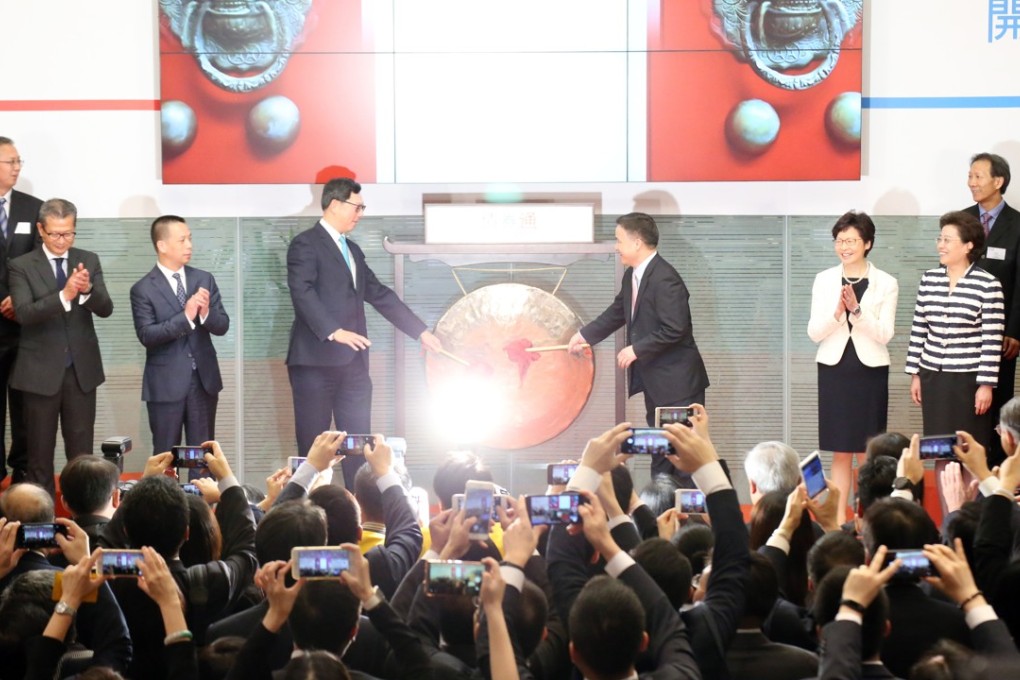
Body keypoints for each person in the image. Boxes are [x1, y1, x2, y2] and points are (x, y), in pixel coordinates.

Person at [286, 177, 442, 488]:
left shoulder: (353, 250)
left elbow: (379, 293)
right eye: (356, 207)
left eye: (362, 207)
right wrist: (333, 331)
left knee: (358, 445)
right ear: (334, 205)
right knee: (313, 447)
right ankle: (308, 514)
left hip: (354, 366)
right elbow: (301, 292)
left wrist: (420, 331)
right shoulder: (306, 244)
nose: (360, 214)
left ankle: (358, 512)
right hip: (314, 364)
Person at [568, 212, 709, 483]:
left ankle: (685, 519)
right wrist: (585, 335)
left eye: (619, 240)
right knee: (661, 452)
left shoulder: (665, 278)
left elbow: (676, 328)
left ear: (637, 242)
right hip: (657, 382)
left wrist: (636, 349)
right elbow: (618, 312)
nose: (616, 246)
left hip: (678, 385)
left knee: (682, 456)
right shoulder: (632, 275)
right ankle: (659, 514)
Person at [8, 198, 113, 497]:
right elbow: (25, 313)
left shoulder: (88, 260)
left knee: (82, 458)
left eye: (68, 233)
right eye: (54, 233)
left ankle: (85, 522)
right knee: (39, 456)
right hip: (39, 374)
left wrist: (88, 290)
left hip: (81, 372)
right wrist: (65, 295)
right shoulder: (21, 266)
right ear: (41, 229)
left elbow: (106, 308)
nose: (61, 240)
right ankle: (42, 523)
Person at [906, 211, 1005, 511]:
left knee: (968, 452)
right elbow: (919, 328)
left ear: (968, 246)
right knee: (941, 452)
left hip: (968, 381)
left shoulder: (988, 285)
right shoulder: (930, 279)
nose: (941, 245)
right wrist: (915, 374)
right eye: (940, 238)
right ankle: (951, 516)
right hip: (934, 377)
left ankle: (970, 517)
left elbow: (992, 339)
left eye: (948, 240)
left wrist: (986, 384)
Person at [808, 211, 898, 521]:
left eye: (852, 240)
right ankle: (839, 522)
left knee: (867, 452)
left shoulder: (886, 282)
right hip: (835, 369)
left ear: (868, 243)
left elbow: (885, 334)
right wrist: (836, 313)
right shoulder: (824, 280)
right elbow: (813, 332)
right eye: (840, 240)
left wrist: (857, 312)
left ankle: (868, 520)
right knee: (840, 451)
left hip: (869, 371)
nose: (844, 246)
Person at [130, 215, 229, 459]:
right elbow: (147, 335)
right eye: (182, 240)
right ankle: (166, 498)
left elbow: (223, 325)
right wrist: (185, 317)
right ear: (162, 245)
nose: (189, 245)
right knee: (165, 456)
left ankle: (205, 498)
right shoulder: (143, 289)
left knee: (204, 456)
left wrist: (205, 313)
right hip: (165, 383)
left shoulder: (203, 279)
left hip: (203, 381)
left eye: (190, 239)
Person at [964, 152, 1020, 466]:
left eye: (977, 176)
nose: (971, 182)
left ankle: (999, 471)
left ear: (998, 182)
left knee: (997, 403)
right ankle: (968, 470)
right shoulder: (961, 219)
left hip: (1001, 336)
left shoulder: (1017, 224)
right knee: (966, 404)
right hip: (963, 333)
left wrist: (1014, 330)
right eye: (970, 176)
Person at [0, 136, 41, 484]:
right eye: (10, 162)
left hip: (25, 327)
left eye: (18, 161)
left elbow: (44, 264)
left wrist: (21, 298)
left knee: (25, 406)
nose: (17, 167)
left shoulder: (33, 208)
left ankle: (22, 473)